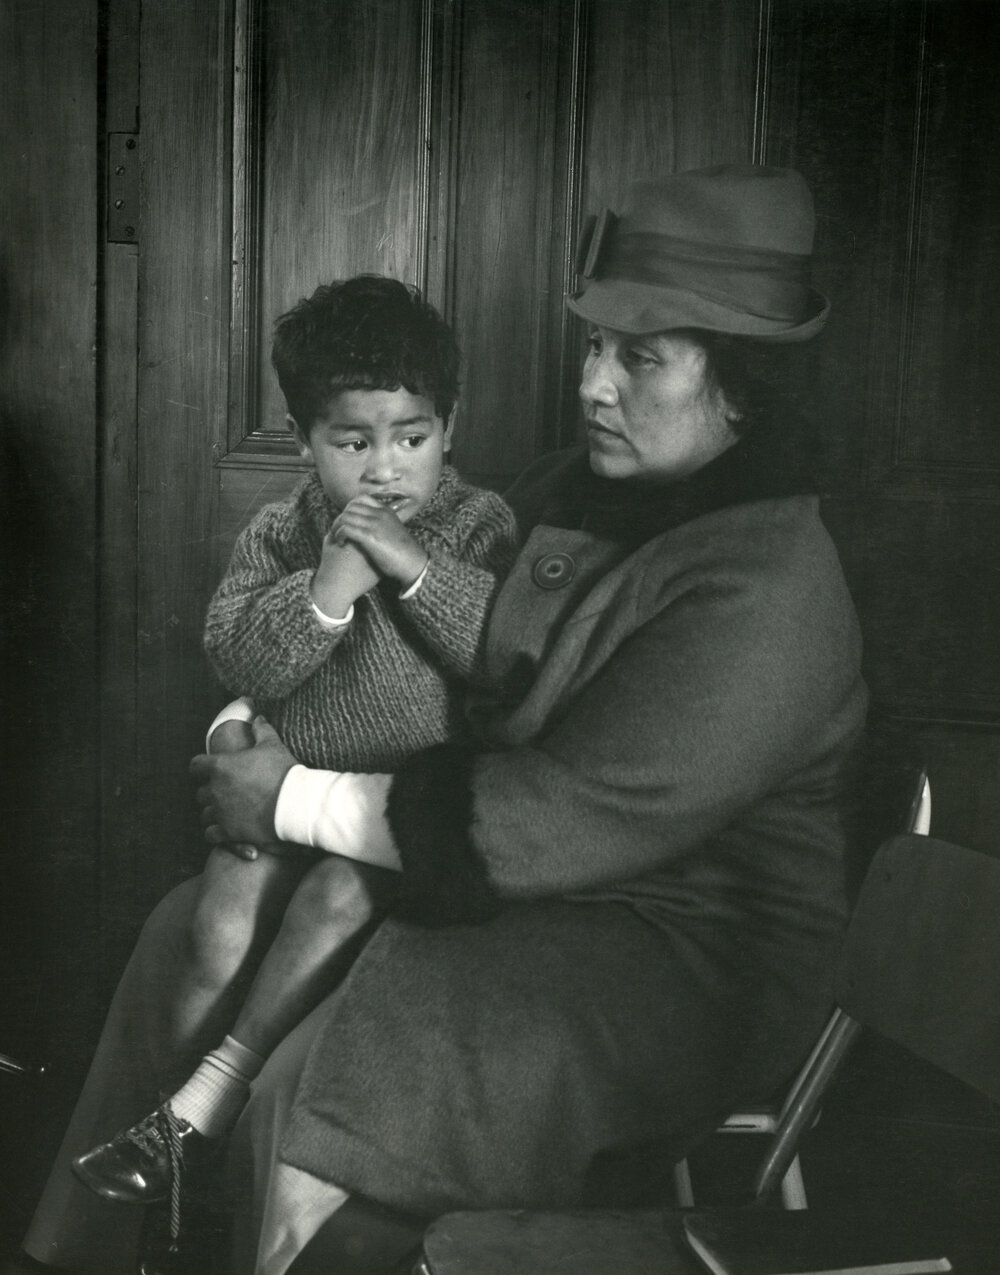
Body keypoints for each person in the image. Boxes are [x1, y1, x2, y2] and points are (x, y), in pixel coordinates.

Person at [20, 165, 867, 1275]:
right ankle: (83, 1251)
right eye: (595, 347)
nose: (593, 386)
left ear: (743, 386)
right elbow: (449, 664)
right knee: (192, 926)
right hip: (532, 881)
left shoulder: (769, 587)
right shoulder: (579, 488)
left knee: (338, 1069)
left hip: (678, 949)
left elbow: (561, 818)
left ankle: (255, 1211)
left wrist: (289, 798)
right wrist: (251, 723)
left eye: (641, 358)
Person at [68, 276, 519, 1223]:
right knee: (212, 927)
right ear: (303, 437)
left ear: (450, 427)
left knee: (329, 902)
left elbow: (504, 653)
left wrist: (414, 568)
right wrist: (325, 591)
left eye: (412, 438)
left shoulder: (477, 523)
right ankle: (167, 1136)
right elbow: (235, 652)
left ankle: (208, 1104)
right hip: (279, 802)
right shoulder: (284, 530)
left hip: (392, 821)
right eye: (353, 443)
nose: (385, 470)